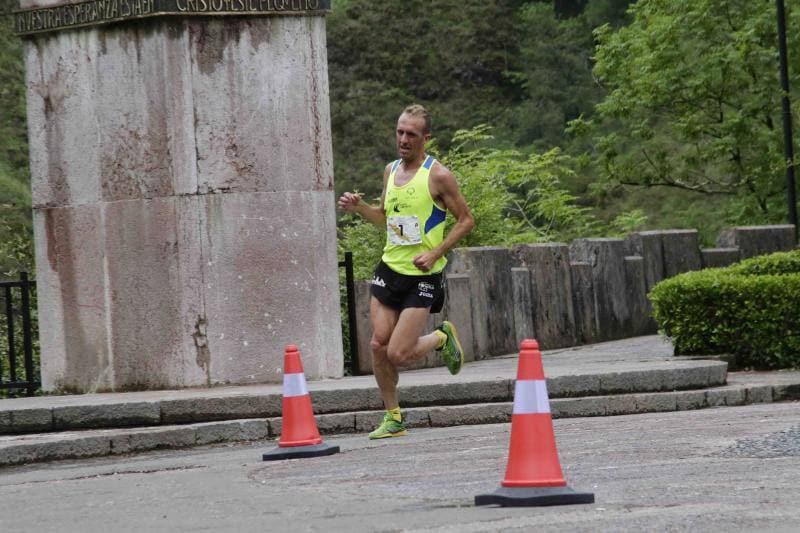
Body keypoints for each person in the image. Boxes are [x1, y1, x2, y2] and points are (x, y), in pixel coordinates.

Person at [338, 104, 475, 439]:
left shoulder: (438, 175)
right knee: (377, 345)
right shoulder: (390, 170)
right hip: (389, 269)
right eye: (400, 131)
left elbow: (467, 220)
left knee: (398, 353)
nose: (403, 139)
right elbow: (384, 219)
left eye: (411, 134)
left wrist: (435, 252)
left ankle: (442, 337)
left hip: (422, 277)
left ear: (425, 138)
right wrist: (359, 208)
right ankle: (393, 417)